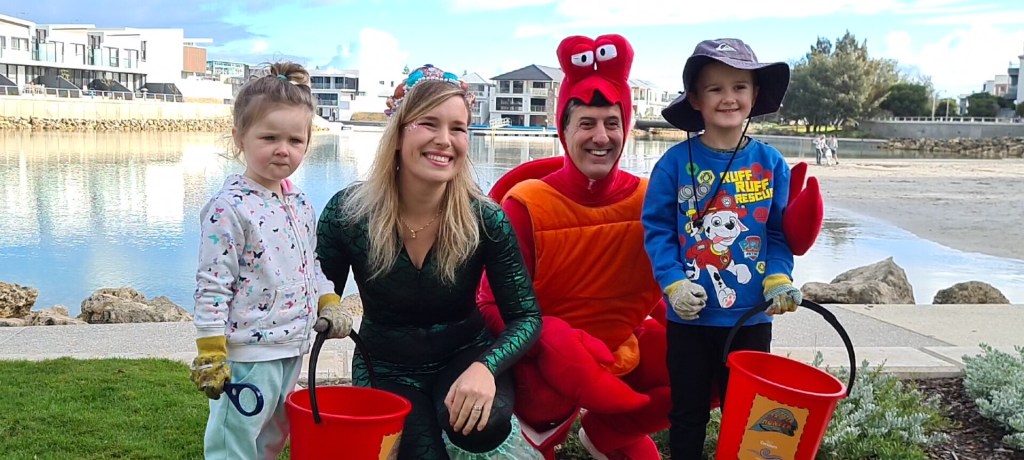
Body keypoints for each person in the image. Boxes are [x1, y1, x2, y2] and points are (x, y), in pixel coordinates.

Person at [316, 64, 543, 460]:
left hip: (464, 354)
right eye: (429, 123)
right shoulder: (347, 214)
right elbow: (318, 294)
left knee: (483, 427)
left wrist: (486, 367)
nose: (444, 140)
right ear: (398, 132)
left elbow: (526, 317)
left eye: (458, 128)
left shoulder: (484, 218)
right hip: (384, 365)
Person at [477, 34, 672, 459]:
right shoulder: (526, 205)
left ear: (627, 129)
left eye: (612, 123)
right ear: (563, 130)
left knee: (701, 366)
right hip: (542, 365)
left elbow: (665, 285)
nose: (601, 136)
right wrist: (549, 342)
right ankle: (542, 441)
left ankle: (608, 433)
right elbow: (489, 304)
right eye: (586, 123)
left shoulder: (653, 200)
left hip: (620, 344)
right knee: (545, 390)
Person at [644, 38, 806, 459]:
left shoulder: (771, 163)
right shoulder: (673, 163)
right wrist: (674, 283)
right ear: (695, 99)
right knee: (687, 413)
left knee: (748, 414)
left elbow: (779, 234)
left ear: (755, 95)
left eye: (739, 86)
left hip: (752, 318)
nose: (728, 97)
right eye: (715, 88)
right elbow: (657, 230)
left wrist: (778, 277)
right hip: (688, 320)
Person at [190, 61, 355, 459]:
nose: (283, 149)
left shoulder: (299, 202)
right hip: (248, 352)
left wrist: (328, 300)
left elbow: (309, 265)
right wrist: (211, 348)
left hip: (291, 346)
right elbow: (213, 285)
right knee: (233, 443)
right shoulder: (228, 208)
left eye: (295, 140)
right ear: (239, 137)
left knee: (272, 440)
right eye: (269, 137)